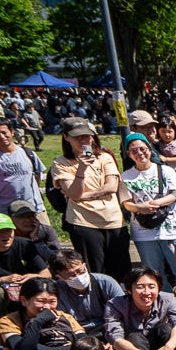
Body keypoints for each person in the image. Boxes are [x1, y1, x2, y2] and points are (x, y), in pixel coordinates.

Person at [50, 119, 131, 280]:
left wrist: (84, 196)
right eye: (77, 137)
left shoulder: (105, 157)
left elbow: (111, 187)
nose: (83, 140)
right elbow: (74, 193)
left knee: (122, 270)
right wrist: (81, 169)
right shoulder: (60, 163)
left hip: (113, 220)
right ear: (66, 137)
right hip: (83, 221)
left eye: (87, 136)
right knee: (94, 270)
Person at [118, 133, 176, 289]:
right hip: (143, 232)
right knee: (154, 273)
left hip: (171, 229)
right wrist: (141, 207)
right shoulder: (125, 177)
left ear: (149, 149)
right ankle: (163, 301)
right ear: (128, 154)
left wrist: (156, 203)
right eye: (134, 151)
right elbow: (126, 203)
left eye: (143, 148)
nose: (140, 153)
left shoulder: (165, 170)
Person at [0, 212, 48, 330]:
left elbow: (47, 274)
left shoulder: (25, 244)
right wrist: (2, 280)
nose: (5, 235)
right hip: (0, 289)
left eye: (8, 230)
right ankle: (2, 326)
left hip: (26, 286)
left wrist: (31, 277)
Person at [49, 251, 124, 342]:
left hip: (108, 330)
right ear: (59, 277)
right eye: (70, 275)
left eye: (80, 271)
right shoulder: (56, 292)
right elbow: (61, 320)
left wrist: (115, 340)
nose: (78, 277)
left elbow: (122, 313)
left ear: (85, 265)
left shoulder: (107, 283)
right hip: (76, 335)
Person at [0, 115, 46, 215]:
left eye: (4, 132)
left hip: (34, 208)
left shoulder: (28, 153)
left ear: (12, 132)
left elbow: (38, 176)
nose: (1, 136)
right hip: (6, 211)